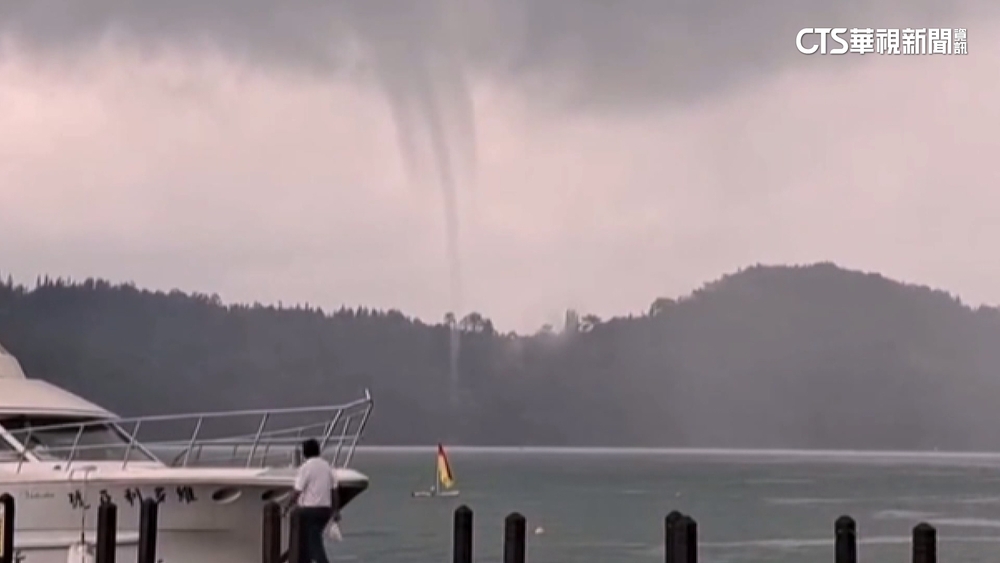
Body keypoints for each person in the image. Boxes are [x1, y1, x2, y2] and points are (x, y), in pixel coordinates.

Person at [284, 438, 340, 563]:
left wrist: (287, 507)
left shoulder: (306, 468)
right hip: (325, 510)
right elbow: (334, 490)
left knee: (313, 541)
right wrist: (335, 511)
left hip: (309, 510)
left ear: (304, 453)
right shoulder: (327, 466)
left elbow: (297, 491)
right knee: (311, 538)